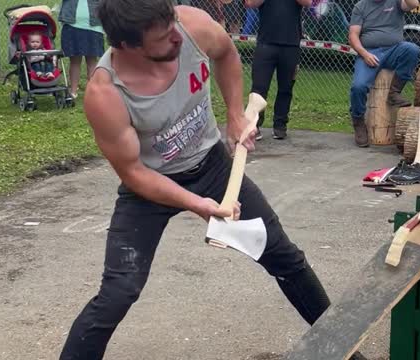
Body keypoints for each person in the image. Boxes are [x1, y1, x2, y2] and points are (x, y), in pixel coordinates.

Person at [58, 1, 360, 359]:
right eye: (163, 37)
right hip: (151, 185)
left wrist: (234, 114)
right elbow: (134, 173)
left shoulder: (189, 24)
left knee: (285, 259)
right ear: (127, 45)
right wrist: (195, 205)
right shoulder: (105, 94)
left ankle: (344, 349)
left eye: (172, 23)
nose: (176, 37)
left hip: (213, 165)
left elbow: (228, 54)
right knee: (118, 292)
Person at [348, 0, 420, 147]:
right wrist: (364, 54)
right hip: (370, 53)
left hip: (394, 49)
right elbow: (353, 35)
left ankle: (394, 93)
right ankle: (358, 121)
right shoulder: (361, 6)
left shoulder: (396, 2)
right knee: (358, 87)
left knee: (412, 50)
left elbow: (414, 4)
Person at [245, 0, 312, 140]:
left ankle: (280, 125)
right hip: (266, 43)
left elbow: (307, 2)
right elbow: (251, 3)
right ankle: (254, 125)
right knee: (259, 88)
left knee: (286, 88)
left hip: (290, 44)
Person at [58, 0, 105, 98]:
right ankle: (73, 91)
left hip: (94, 26)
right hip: (72, 25)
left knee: (92, 61)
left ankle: (92, 91)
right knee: (74, 61)